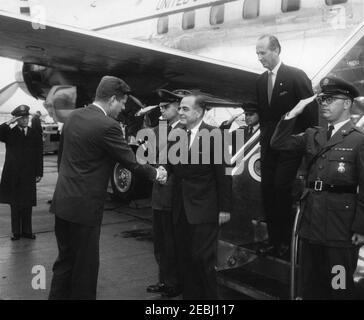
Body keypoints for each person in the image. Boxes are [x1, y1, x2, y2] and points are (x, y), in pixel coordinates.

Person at [48, 76, 167, 300]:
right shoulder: (108, 126)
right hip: (85, 209)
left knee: (65, 262)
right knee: (85, 267)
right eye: (122, 103)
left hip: (63, 203)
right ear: (112, 99)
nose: (123, 108)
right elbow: (130, 161)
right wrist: (156, 173)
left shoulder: (73, 117)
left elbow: (62, 158)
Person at [271, 76, 364, 299]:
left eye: (330, 100)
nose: (324, 104)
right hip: (311, 224)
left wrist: (362, 228)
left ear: (347, 103)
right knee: (310, 286)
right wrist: (294, 112)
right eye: (322, 100)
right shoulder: (314, 135)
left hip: (340, 229)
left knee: (338, 286)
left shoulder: (361, 141)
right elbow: (278, 144)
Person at [255, 34, 318, 257]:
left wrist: (306, 142)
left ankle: (286, 243)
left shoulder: (295, 76)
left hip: (290, 146)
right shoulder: (261, 81)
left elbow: (311, 112)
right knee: (268, 192)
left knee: (282, 190)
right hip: (269, 146)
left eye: (263, 53)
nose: (259, 57)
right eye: (257, 53)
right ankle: (274, 241)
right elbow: (264, 116)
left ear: (276, 50)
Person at [169, 94, 232, 299]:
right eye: (180, 108)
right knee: (184, 259)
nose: (180, 112)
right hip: (181, 208)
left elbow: (224, 174)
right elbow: (171, 166)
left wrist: (225, 208)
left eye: (185, 109)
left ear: (199, 112)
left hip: (205, 208)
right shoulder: (176, 133)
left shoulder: (214, 134)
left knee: (203, 260)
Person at [146, 89, 183, 298]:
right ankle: (165, 280)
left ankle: (173, 283)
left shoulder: (185, 131)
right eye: (160, 107)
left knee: (171, 242)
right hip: (159, 195)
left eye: (166, 106)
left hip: (173, 195)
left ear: (177, 106)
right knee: (160, 242)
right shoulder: (161, 129)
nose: (162, 110)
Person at [0, 105, 43, 240]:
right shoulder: (9, 133)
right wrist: (10, 122)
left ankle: (27, 231)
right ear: (17, 119)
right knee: (15, 204)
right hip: (13, 174)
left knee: (27, 203)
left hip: (28, 174)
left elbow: (38, 154)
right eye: (22, 118)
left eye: (26, 117)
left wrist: (39, 172)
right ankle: (16, 232)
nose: (25, 120)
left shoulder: (34, 133)